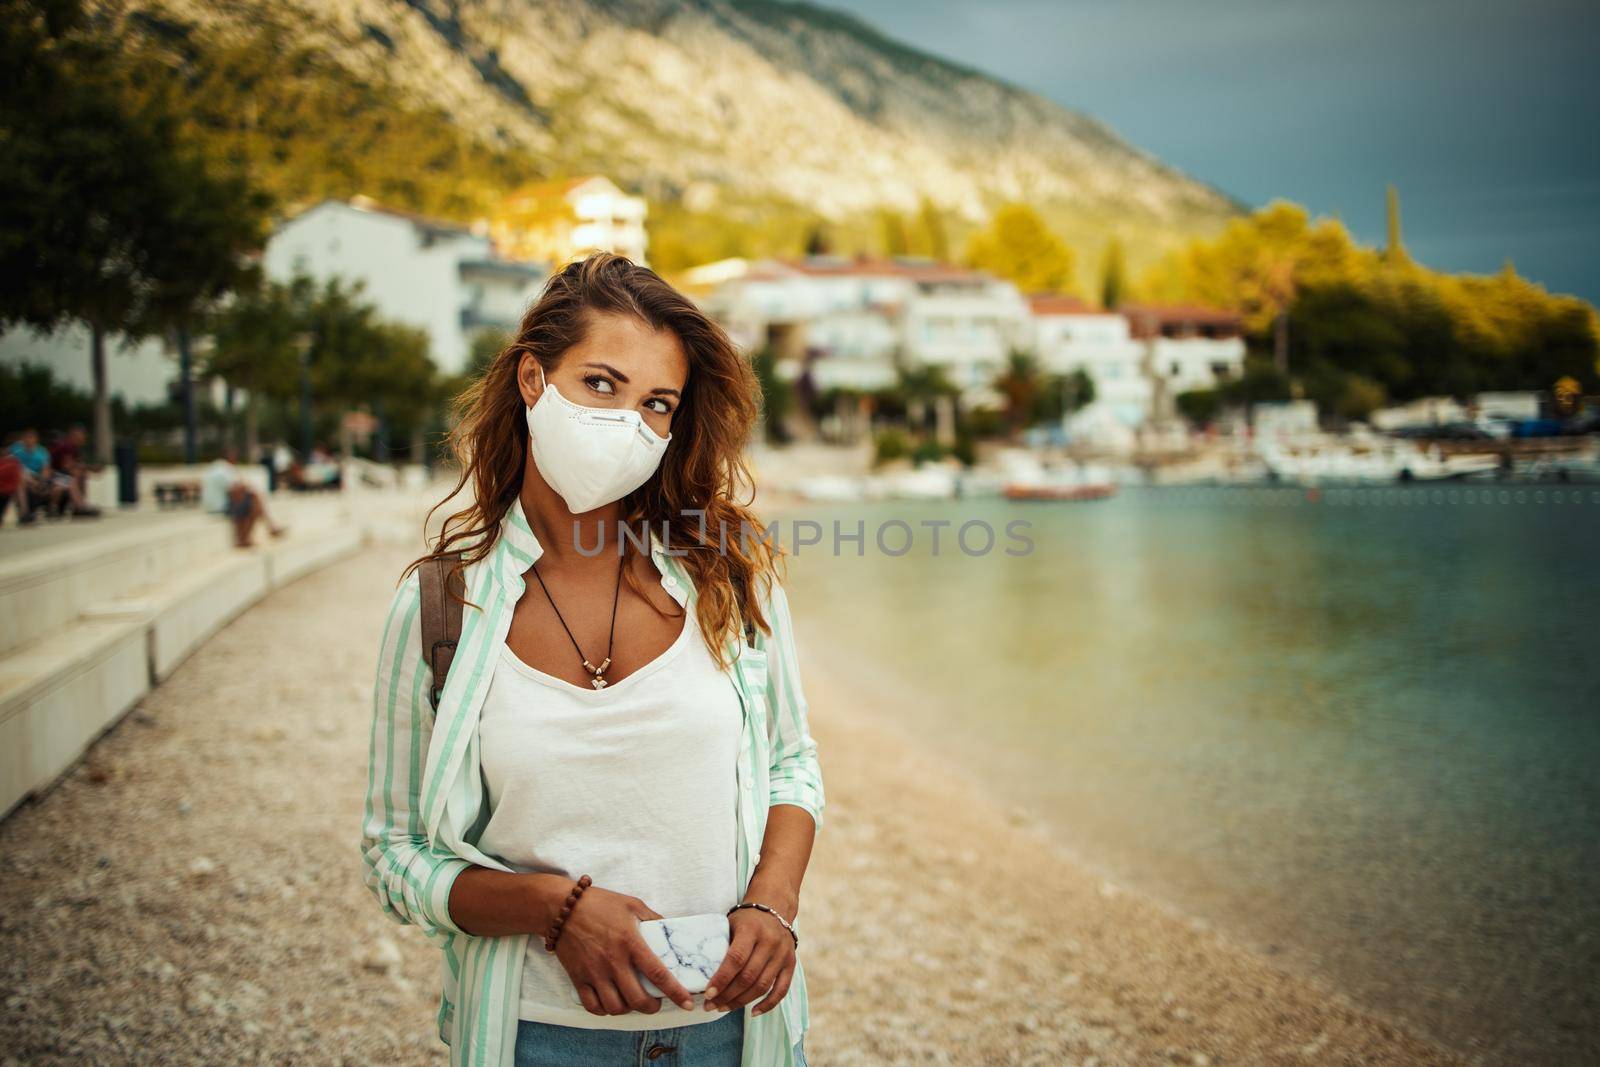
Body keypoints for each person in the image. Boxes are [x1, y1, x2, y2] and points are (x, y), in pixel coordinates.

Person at [360, 253, 824, 1067]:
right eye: (602, 385)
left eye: (657, 404)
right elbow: (395, 851)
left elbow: (791, 764)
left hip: (729, 1032)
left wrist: (772, 906)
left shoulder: (729, 575)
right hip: (533, 1035)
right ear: (534, 381)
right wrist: (554, 908)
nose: (628, 423)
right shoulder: (443, 606)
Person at [201, 448, 285, 548]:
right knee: (253, 503)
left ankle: (266, 529)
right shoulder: (225, 469)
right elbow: (235, 491)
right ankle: (248, 537)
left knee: (251, 501)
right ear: (230, 457)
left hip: (210, 506)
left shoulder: (215, 467)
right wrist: (249, 489)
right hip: (219, 507)